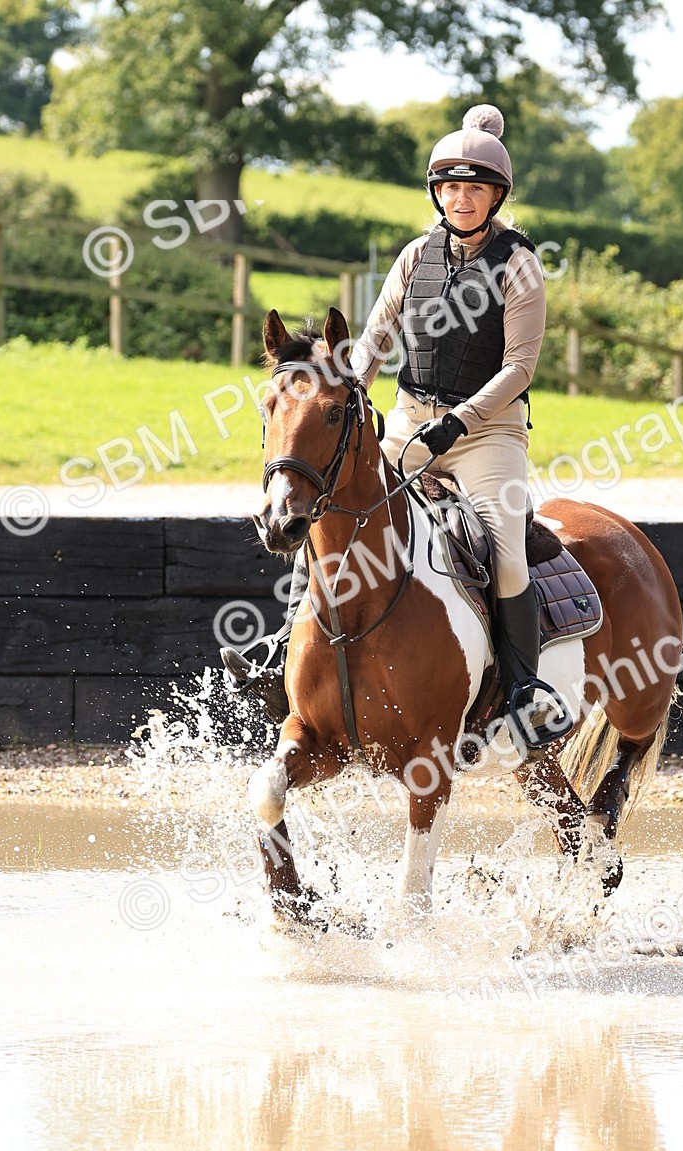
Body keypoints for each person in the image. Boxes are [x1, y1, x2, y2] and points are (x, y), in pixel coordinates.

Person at [223, 104, 565, 747]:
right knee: (332, 505)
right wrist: (342, 387)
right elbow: (374, 343)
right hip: (410, 419)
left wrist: (458, 424)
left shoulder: (519, 264)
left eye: (475, 188)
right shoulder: (416, 256)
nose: (462, 199)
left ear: (496, 196)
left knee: (508, 552)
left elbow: (520, 367)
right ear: (437, 194)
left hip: (488, 436)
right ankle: (284, 644)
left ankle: (522, 690)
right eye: (451, 188)